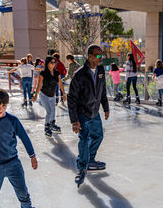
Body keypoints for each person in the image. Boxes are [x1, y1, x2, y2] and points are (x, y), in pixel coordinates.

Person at [67, 44, 109, 187]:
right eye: (97, 55)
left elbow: (102, 91)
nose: (100, 58)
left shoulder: (101, 70)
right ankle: (82, 167)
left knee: (98, 136)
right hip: (82, 113)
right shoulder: (79, 74)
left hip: (94, 111)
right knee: (84, 139)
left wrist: (106, 107)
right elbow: (71, 98)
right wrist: (74, 121)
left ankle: (90, 159)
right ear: (89, 56)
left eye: (101, 55)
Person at [33, 56, 66, 137]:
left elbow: (60, 83)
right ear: (47, 63)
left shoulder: (56, 73)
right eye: (52, 62)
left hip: (52, 94)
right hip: (44, 94)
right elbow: (39, 85)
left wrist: (64, 94)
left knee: (53, 110)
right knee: (49, 111)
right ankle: (46, 127)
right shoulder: (43, 73)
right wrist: (36, 95)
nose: (53, 64)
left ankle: (52, 124)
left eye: (55, 62)